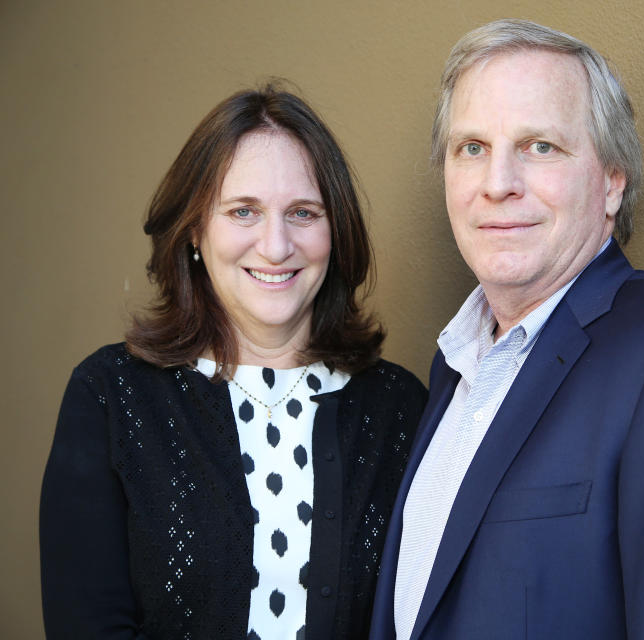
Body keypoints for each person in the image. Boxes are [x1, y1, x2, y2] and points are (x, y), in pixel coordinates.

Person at [370, 19, 644, 640]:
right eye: (472, 148)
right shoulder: (454, 370)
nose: (498, 184)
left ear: (612, 182)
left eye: (540, 147)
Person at [40, 85, 426, 639]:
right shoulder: (110, 396)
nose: (275, 245)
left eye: (302, 213)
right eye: (243, 211)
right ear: (195, 230)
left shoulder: (398, 406)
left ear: (335, 232)